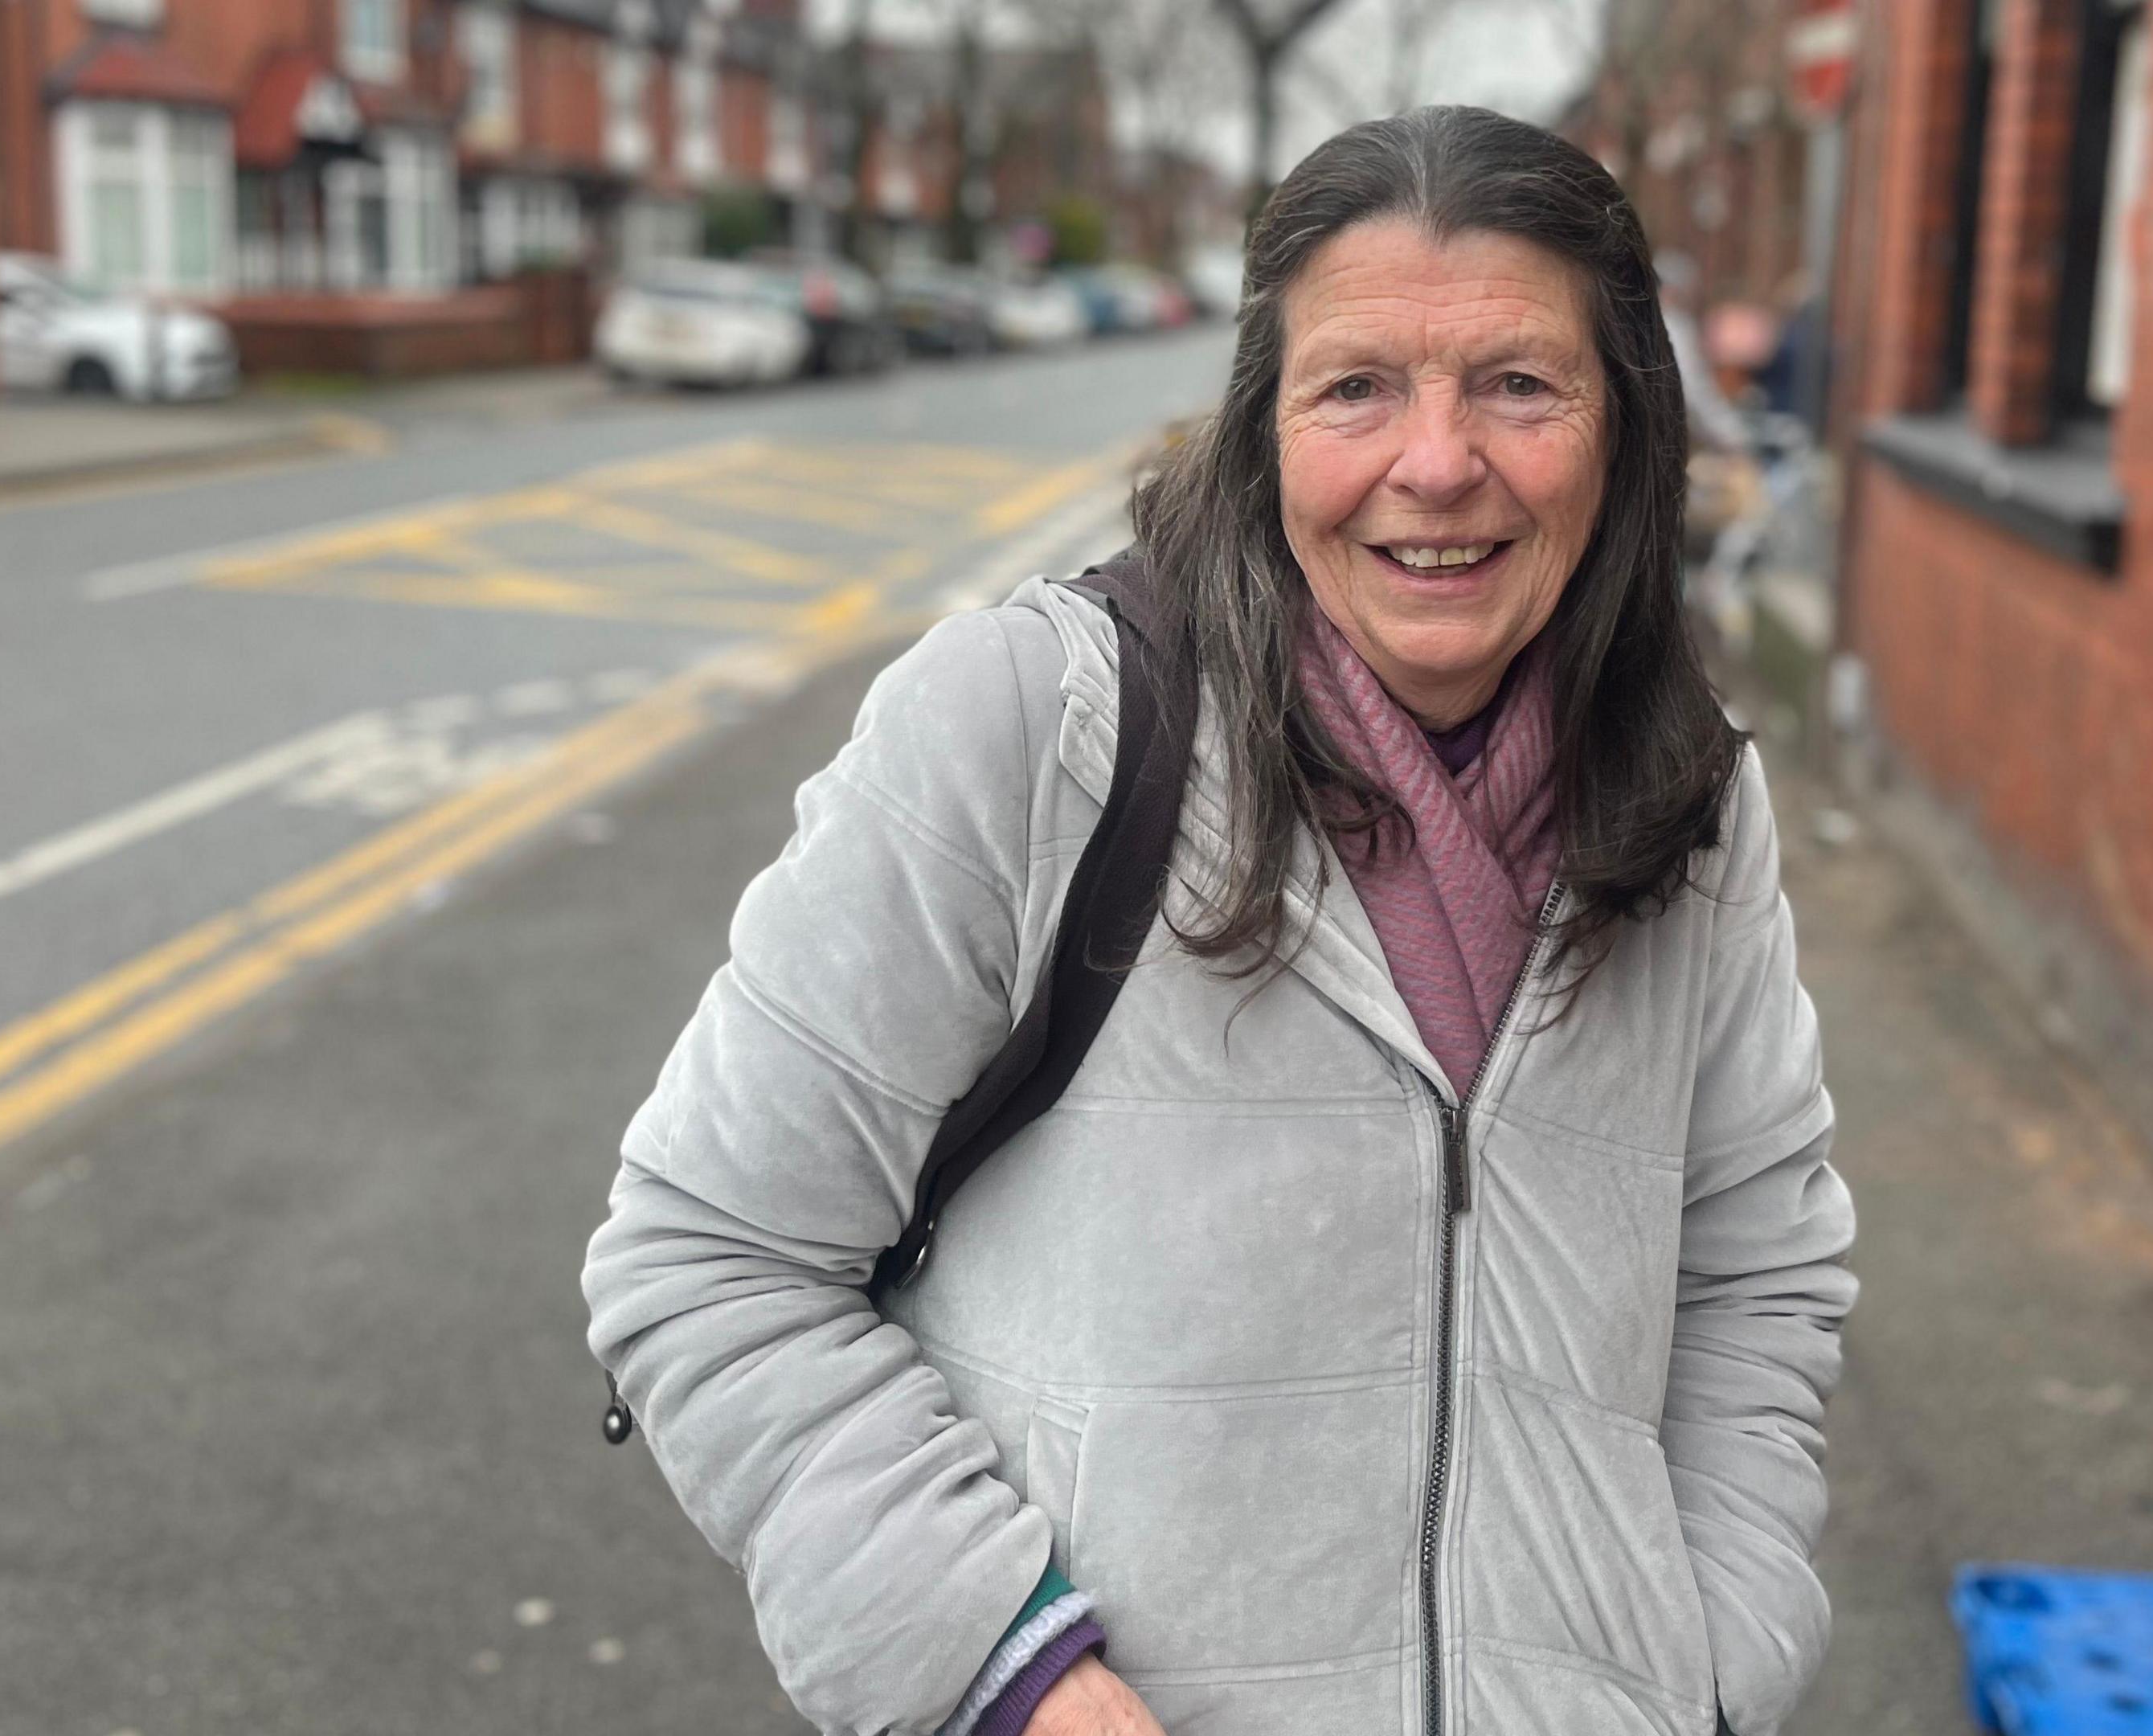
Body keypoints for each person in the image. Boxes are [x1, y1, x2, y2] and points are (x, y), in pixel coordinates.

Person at [584, 106, 1855, 1736]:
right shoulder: (1030, 728)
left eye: (1520, 385)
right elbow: (708, 1252)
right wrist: (1008, 1676)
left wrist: (1713, 1668)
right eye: (1359, 388)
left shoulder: (1687, 792)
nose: (1439, 462)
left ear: (1626, 427)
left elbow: (1758, 1271)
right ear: (1266, 427)